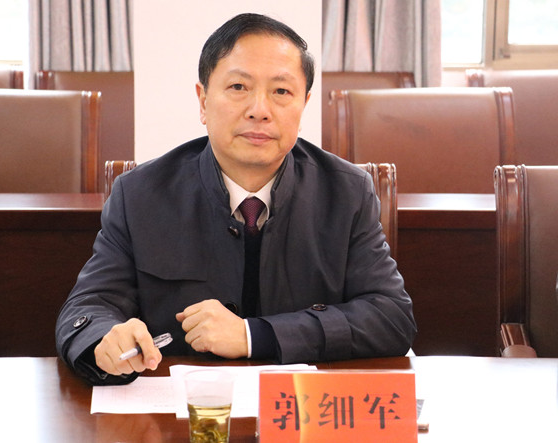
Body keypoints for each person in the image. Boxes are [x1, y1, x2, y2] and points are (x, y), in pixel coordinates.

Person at [56, 12, 417, 385]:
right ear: (203, 101)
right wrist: (104, 338)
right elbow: (87, 308)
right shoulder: (139, 195)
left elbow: (390, 318)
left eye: (281, 92)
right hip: (178, 410)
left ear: (304, 105)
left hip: (300, 409)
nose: (259, 110)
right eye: (239, 87)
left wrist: (253, 336)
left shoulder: (347, 193)